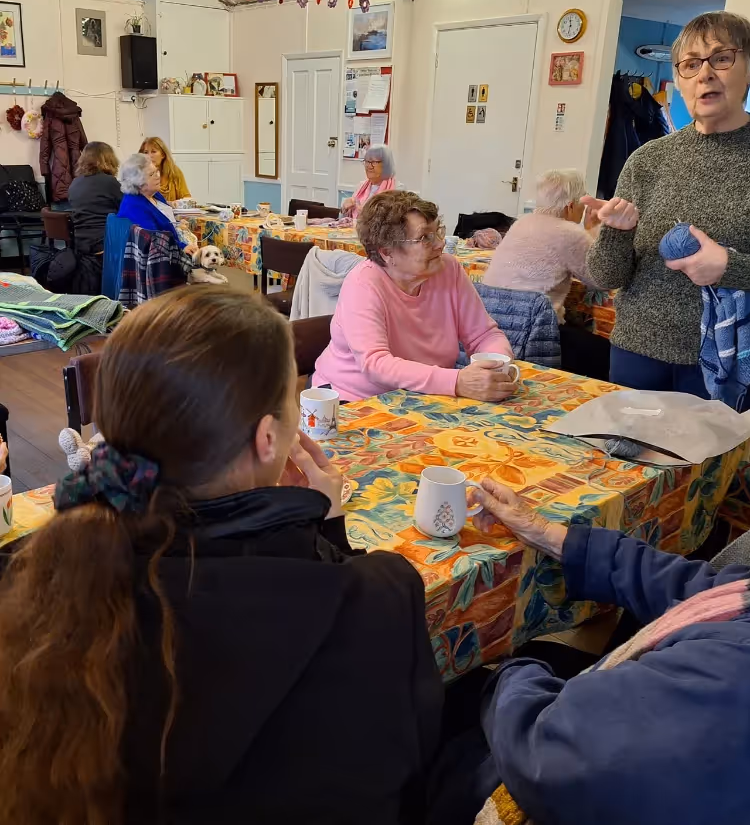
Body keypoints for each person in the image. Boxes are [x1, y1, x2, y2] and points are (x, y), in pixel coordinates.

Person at [0, 287, 442, 825]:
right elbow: (404, 767)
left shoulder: (41, 575)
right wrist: (326, 530)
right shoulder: (377, 597)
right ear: (267, 437)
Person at [466, 358, 750, 825]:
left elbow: (546, 755)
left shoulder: (744, 679)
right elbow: (709, 590)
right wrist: (551, 535)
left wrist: (507, 672)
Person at [586, 11, 750, 407]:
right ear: (680, 79)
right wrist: (616, 232)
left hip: (733, 359)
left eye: (721, 58)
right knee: (629, 463)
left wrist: (730, 267)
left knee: (710, 468)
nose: (704, 74)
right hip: (638, 350)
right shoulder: (647, 159)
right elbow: (606, 276)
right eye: (690, 64)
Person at [314, 190, 517, 402]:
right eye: (424, 238)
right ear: (387, 252)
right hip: (355, 400)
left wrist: (498, 365)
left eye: (438, 231)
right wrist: (457, 382)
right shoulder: (363, 283)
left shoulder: (448, 269)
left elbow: (484, 335)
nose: (440, 243)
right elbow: (376, 364)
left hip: (425, 398)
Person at [483, 169, 608, 378]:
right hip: (533, 330)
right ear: (570, 206)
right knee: (608, 356)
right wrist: (593, 229)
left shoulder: (521, 222)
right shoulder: (570, 233)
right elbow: (601, 279)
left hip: (494, 322)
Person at [118, 153, 190, 248]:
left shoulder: (155, 195)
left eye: (157, 171)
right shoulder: (134, 206)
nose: (158, 176)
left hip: (171, 247)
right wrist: (183, 248)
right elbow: (154, 242)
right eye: (152, 174)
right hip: (159, 257)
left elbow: (164, 221)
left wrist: (177, 224)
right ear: (138, 182)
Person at [68, 141, 123, 255]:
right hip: (105, 245)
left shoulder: (74, 183)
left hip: (80, 245)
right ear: (109, 159)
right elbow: (126, 210)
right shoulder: (110, 182)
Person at [341, 145, 396, 220]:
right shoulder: (361, 186)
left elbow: (395, 222)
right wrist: (344, 208)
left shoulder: (397, 189)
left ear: (386, 165)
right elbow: (343, 220)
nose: (369, 166)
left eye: (374, 162)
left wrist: (366, 214)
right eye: (367, 161)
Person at [139, 136, 190, 204]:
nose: (149, 156)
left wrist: (180, 204)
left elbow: (186, 197)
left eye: (153, 152)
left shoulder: (174, 171)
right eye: (145, 152)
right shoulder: (139, 174)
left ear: (163, 154)